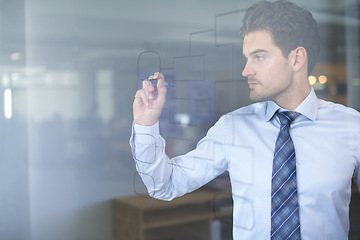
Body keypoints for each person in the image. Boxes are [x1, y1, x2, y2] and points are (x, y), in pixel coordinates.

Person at [130, 0, 360, 239]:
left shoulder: (351, 127)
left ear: (296, 58)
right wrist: (146, 125)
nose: (246, 70)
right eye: (247, 58)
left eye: (259, 57)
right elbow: (164, 185)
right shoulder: (233, 127)